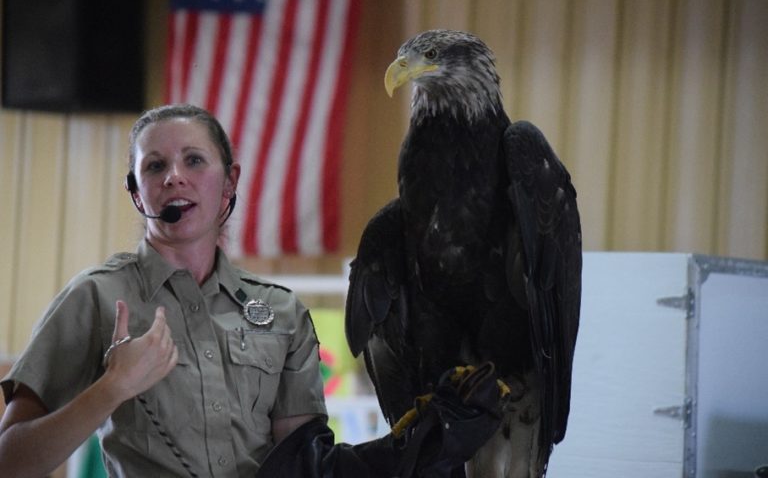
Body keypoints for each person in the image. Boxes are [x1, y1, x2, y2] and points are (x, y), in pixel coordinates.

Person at [0, 104, 503, 478]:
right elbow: (10, 461)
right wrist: (112, 389)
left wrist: (424, 443)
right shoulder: (97, 299)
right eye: (154, 166)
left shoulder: (281, 312)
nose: (174, 176)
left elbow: (304, 469)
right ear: (136, 192)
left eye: (194, 160)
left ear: (229, 181)